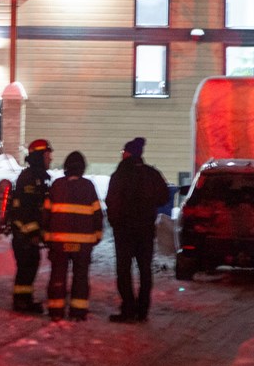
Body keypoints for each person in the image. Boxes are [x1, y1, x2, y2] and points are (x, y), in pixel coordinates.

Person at [105, 137, 170, 323]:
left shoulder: (120, 174)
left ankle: (128, 308)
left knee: (124, 270)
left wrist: (115, 221)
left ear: (128, 153)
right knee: (145, 270)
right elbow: (164, 197)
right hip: (145, 230)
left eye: (123, 152)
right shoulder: (151, 174)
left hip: (124, 231)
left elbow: (112, 200)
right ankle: (142, 310)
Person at [42, 150, 103, 321]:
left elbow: (46, 213)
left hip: (59, 241)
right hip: (83, 244)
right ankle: (78, 311)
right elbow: (98, 214)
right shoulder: (89, 187)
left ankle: (56, 310)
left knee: (58, 275)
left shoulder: (57, 186)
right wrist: (96, 236)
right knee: (81, 277)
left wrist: (46, 236)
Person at [8, 139, 53, 313]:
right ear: (39, 156)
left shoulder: (38, 176)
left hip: (27, 234)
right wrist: (33, 232)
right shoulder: (30, 178)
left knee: (29, 267)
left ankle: (24, 300)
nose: (50, 159)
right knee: (26, 268)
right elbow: (26, 209)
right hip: (24, 234)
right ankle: (21, 303)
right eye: (47, 155)